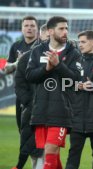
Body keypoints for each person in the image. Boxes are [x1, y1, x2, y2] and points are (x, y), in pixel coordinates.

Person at [26, 16, 81, 169]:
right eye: (61, 29)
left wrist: (58, 65)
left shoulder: (73, 53)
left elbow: (75, 81)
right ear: (50, 31)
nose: (65, 32)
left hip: (62, 112)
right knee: (52, 155)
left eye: (67, 29)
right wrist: (46, 69)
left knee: (50, 150)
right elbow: (30, 76)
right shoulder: (38, 51)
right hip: (40, 111)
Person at [65, 30, 93, 169]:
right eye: (79, 42)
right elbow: (65, 83)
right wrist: (75, 85)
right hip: (77, 116)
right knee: (73, 153)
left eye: (83, 42)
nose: (80, 45)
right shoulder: (77, 60)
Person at [13, 23, 49, 169]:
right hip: (30, 109)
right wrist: (29, 102)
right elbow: (19, 82)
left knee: (48, 148)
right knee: (30, 143)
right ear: (41, 35)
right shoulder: (27, 57)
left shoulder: (61, 59)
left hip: (53, 110)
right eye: (47, 35)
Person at [7, 15, 38, 169]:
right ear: (22, 28)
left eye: (32, 25)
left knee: (35, 133)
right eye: (26, 25)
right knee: (23, 131)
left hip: (37, 96)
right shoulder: (16, 46)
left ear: (37, 28)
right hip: (22, 96)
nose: (29, 28)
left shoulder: (41, 46)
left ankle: (34, 165)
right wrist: (19, 62)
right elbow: (6, 69)